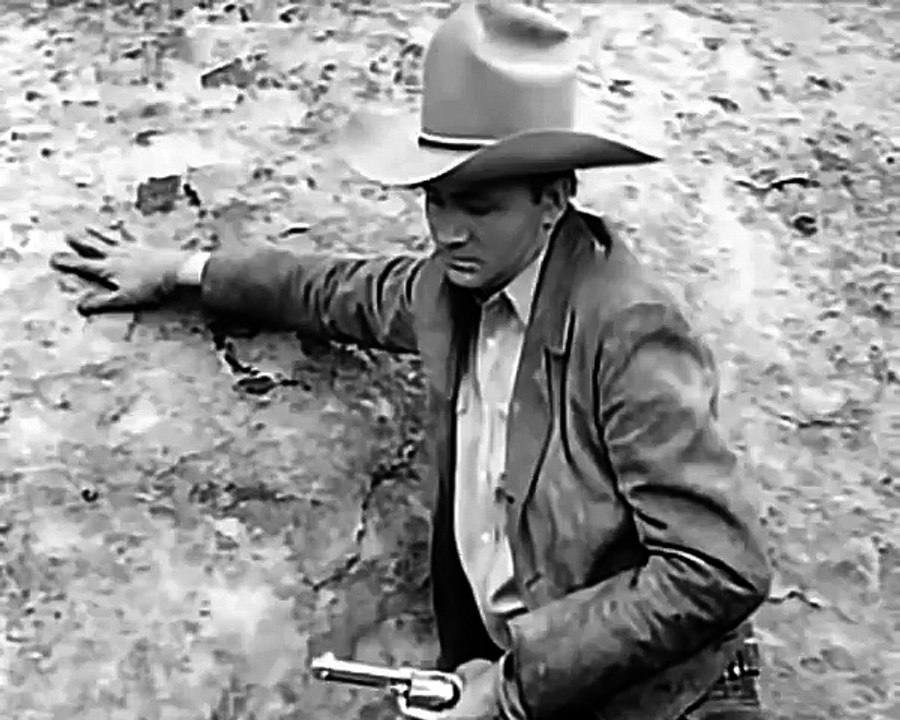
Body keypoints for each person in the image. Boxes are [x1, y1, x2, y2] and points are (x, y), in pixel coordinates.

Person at [50, 2, 772, 719]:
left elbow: (715, 568)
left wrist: (513, 689)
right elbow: (333, 291)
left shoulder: (628, 330)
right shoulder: (453, 289)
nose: (448, 232)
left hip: (669, 703)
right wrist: (183, 269)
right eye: (436, 201)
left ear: (552, 200)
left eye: (479, 207)